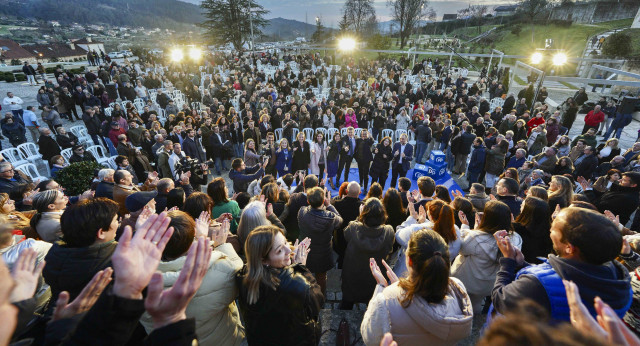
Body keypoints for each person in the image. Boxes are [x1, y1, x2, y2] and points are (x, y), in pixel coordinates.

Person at [491, 207, 632, 322]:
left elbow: (501, 301)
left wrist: (507, 262)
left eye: (555, 229)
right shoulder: (620, 280)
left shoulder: (536, 285)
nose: (550, 231)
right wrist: (522, 265)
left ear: (569, 248)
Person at [139, 211, 245, 345]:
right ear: (193, 232)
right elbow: (239, 273)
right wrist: (219, 246)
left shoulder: (137, 282)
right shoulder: (221, 268)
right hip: (221, 340)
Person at [361, 229, 473, 345]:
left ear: (409, 260)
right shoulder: (458, 290)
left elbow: (369, 338)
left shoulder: (384, 302)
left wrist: (382, 288)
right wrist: (396, 288)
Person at [236, 225, 324, 345]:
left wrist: (288, 264)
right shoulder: (297, 285)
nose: (289, 250)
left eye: (286, 242)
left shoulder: (243, 275)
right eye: (279, 250)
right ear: (263, 260)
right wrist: (300, 267)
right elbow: (317, 302)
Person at [42, 198, 120, 315]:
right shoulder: (114, 263)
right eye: (116, 220)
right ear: (101, 233)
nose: (118, 224)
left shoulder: (56, 251)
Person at [452, 200, 522, 313]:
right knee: (476, 304)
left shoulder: (476, 237)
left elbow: (461, 250)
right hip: (491, 284)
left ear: (487, 218)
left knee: (460, 303)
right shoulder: (515, 238)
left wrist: (468, 229)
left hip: (467, 281)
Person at [341, 197, 395, 310]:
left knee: (347, 301)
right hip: (374, 276)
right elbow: (390, 249)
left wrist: (359, 218)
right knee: (372, 300)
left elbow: (345, 236)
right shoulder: (389, 231)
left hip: (353, 272)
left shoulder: (354, 227)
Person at [297, 187, 343, 295]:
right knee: (321, 278)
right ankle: (321, 297)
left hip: (306, 252)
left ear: (308, 201)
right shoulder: (330, 217)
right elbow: (340, 220)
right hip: (323, 254)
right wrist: (329, 205)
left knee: (304, 275)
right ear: (323, 201)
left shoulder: (302, 212)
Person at [512, 196, 553, 264]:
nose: (520, 205)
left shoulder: (516, 229)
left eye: (522, 205)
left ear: (527, 210)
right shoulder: (550, 232)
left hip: (520, 269)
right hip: (541, 268)